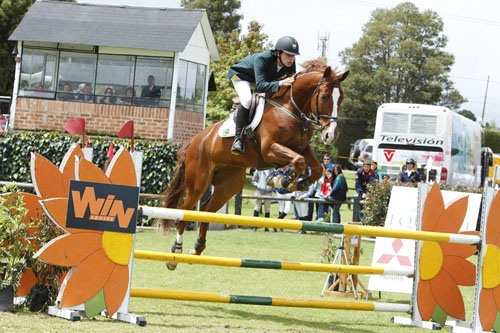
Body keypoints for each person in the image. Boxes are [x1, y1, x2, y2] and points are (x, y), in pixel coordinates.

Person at [227, 36, 300, 155]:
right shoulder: (262, 58)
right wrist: (280, 83)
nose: (291, 59)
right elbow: (260, 86)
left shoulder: (290, 63)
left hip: (261, 80)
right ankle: (237, 139)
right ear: (278, 53)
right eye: (288, 55)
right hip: (242, 76)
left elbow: (292, 81)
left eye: (293, 55)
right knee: (247, 100)